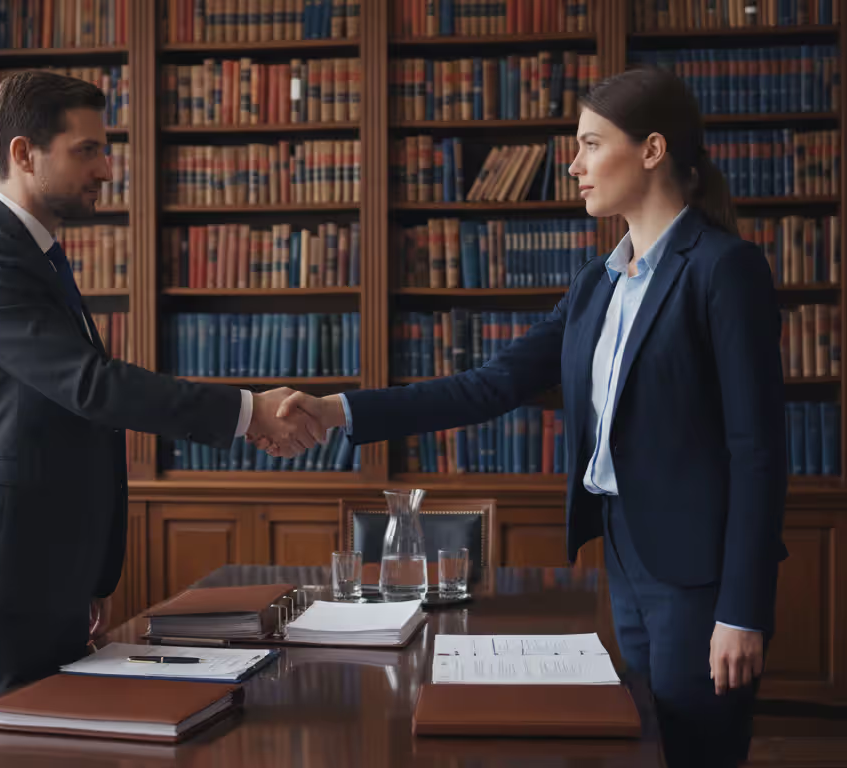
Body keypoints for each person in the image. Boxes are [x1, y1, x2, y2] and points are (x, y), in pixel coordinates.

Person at [263, 66, 787, 768]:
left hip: (700, 573)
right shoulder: (600, 283)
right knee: (650, 742)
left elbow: (758, 451)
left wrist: (742, 610)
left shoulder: (724, 269)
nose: (573, 166)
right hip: (625, 549)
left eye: (591, 144)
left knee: (695, 750)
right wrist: (336, 410)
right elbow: (492, 384)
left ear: (653, 150)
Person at [0, 70, 321, 720]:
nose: (106, 168)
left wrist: (88, 576)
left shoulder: (34, 258)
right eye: (87, 151)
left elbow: (63, 416)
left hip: (44, 571)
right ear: (23, 154)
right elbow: (91, 389)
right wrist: (247, 412)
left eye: (105, 150)